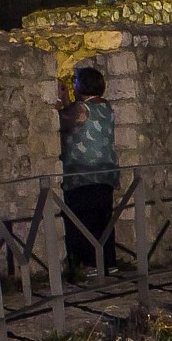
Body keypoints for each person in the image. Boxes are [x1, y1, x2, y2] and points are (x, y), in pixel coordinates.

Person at [60, 66, 118, 272]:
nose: (74, 86)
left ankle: (90, 264)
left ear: (82, 85)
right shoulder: (106, 106)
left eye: (75, 82)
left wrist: (62, 102)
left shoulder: (81, 109)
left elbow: (63, 120)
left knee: (83, 221)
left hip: (82, 174)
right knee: (104, 220)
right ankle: (108, 262)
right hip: (106, 173)